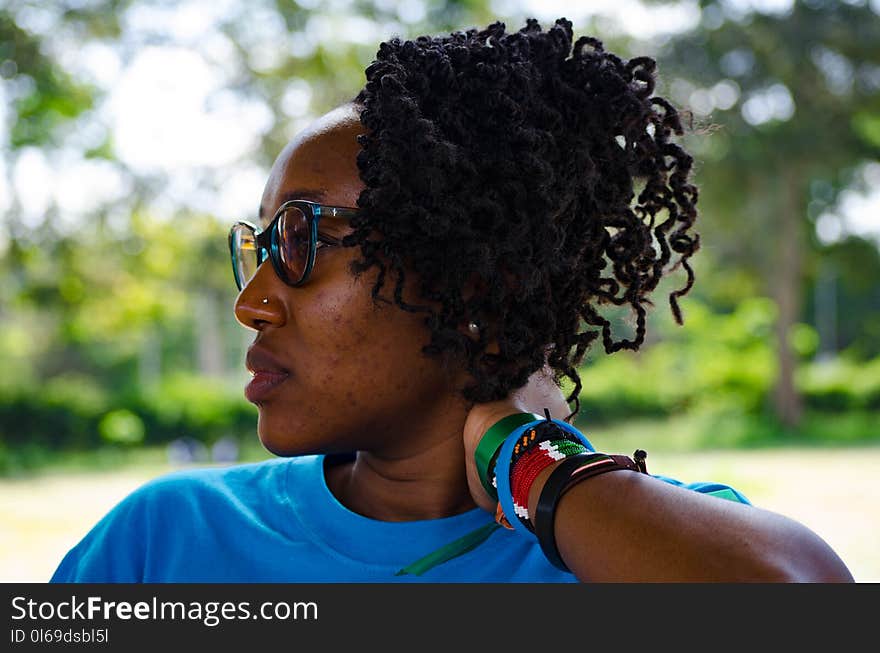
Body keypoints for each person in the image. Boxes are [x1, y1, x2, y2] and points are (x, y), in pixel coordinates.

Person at [51, 17, 853, 583]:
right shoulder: (161, 545)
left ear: (470, 278)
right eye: (255, 251)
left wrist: (526, 458)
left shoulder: (644, 547)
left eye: (297, 242)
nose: (252, 302)